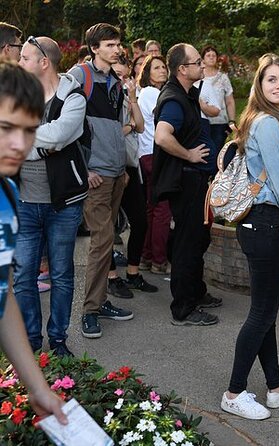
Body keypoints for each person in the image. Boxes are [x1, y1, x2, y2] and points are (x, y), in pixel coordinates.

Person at [220, 53, 279, 420]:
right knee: (261, 312)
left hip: (263, 224)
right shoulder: (269, 125)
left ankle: (274, 385)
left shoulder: (276, 120)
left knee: (266, 310)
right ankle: (234, 391)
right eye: (271, 79)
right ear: (260, 84)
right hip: (265, 222)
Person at [0, 59, 68, 427]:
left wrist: (37, 386)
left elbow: (1, 293)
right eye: (6, 127)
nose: (19, 144)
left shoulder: (9, 193)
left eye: (29, 131)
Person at [14, 36, 88, 357]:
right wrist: (40, 145)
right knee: (23, 276)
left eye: (25, 58)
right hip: (23, 203)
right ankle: (31, 341)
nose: (19, 64)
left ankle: (58, 340)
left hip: (63, 204)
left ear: (44, 62)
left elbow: (59, 135)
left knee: (61, 275)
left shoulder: (73, 96)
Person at [68, 23, 134, 339]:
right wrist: (85, 168)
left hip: (116, 172)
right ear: (95, 48)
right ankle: (90, 311)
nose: (116, 49)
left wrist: (121, 167)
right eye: (109, 44)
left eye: (117, 43)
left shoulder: (115, 81)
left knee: (108, 241)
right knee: (102, 241)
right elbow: (64, 121)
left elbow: (118, 127)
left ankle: (102, 301)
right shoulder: (80, 75)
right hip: (95, 176)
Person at [153, 43, 222, 326]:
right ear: (182, 69)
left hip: (198, 181)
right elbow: (161, 136)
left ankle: (196, 290)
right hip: (187, 181)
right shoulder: (173, 99)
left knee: (199, 238)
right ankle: (183, 308)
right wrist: (189, 154)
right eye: (196, 62)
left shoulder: (187, 94)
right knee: (187, 244)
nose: (202, 66)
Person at [107, 55, 157, 295]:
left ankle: (133, 273)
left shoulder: (127, 97)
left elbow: (141, 126)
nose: (122, 79)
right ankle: (111, 277)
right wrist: (129, 127)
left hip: (130, 166)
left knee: (140, 222)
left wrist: (134, 100)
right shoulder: (102, 99)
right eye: (118, 75)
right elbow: (115, 132)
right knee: (107, 228)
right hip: (109, 168)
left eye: (126, 75)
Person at [137, 55, 172, 275]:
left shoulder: (156, 93)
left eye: (163, 67)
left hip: (148, 154)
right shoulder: (152, 93)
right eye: (156, 67)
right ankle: (159, 260)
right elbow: (163, 119)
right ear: (147, 73)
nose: (162, 70)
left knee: (152, 208)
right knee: (162, 209)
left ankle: (146, 256)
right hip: (154, 155)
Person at [198, 45, 236, 153]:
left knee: (217, 150)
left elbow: (230, 101)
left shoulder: (223, 77)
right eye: (208, 55)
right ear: (203, 58)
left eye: (213, 55)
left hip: (219, 121)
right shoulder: (198, 76)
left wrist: (231, 121)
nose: (211, 58)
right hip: (201, 121)